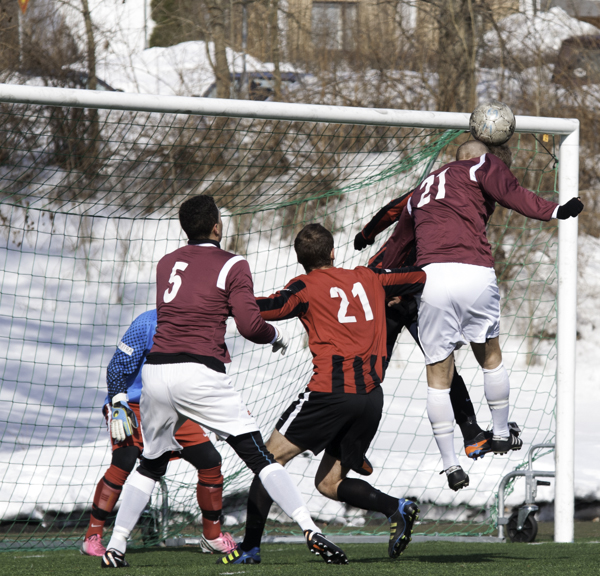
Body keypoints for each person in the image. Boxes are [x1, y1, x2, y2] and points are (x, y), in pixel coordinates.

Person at [101, 195, 347, 568]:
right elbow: (249, 325)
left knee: (151, 464)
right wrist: (274, 337)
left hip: (155, 373)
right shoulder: (232, 263)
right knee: (258, 456)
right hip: (198, 372)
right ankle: (310, 529)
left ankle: (116, 545)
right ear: (216, 226)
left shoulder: (166, 263)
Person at [219, 223, 426, 565]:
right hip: (372, 398)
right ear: (333, 253)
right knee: (329, 483)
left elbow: (266, 308)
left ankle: (251, 547)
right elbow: (418, 276)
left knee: (269, 461)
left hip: (331, 392)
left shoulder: (303, 287)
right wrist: (396, 292)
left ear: (300, 260)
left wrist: (225, 303)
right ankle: (397, 508)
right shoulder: (370, 277)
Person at [389, 140, 583, 489]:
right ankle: (499, 432)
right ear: (478, 156)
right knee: (490, 355)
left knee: (438, 373)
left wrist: (385, 283)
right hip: (473, 270)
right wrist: (555, 210)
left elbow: (399, 241)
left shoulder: (423, 187)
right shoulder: (483, 165)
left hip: (431, 276)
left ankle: (450, 466)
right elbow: (512, 193)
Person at [352, 150, 518, 473]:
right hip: (388, 289)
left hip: (415, 293)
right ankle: (352, 444)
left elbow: (391, 211)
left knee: (440, 366)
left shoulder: (460, 193)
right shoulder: (434, 189)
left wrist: (366, 235)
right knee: (376, 372)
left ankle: (471, 434)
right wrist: (365, 235)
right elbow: (393, 210)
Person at [81, 309, 235, 557]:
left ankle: (212, 537)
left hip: (171, 405)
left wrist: (218, 409)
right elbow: (117, 367)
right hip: (130, 405)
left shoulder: (204, 325)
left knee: (210, 461)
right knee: (125, 459)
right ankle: (93, 536)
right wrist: (118, 404)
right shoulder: (147, 322)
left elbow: (207, 375)